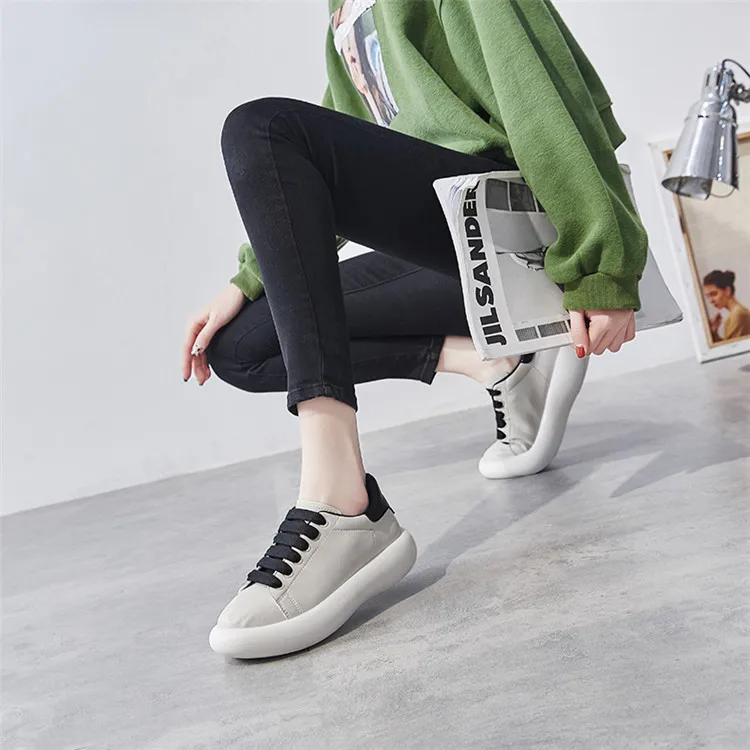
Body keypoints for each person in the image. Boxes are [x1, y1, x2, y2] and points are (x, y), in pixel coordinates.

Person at [182, 0, 647, 660]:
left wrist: (599, 266)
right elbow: (320, 163)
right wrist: (243, 282)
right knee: (241, 347)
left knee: (260, 128)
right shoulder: (343, 11)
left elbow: (540, 90)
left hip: (509, 225)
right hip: (444, 244)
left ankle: (341, 504)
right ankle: (495, 362)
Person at [703, 269, 750, 342]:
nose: (711, 301)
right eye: (708, 296)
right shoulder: (736, 313)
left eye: (714, 294)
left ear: (728, 291)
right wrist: (714, 333)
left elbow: (732, 347)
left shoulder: (738, 315)